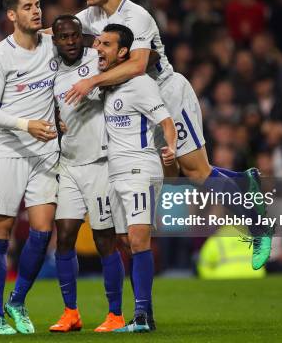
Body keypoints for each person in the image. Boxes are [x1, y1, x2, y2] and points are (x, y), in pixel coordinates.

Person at [59, 0, 271, 270]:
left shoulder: (137, 17)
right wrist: (10, 46)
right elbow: (61, 31)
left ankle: (258, 225)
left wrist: (91, 80)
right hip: (134, 104)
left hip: (166, 95)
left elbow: (138, 65)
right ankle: (242, 180)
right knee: (171, 178)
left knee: (197, 172)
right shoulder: (92, 15)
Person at [0, 0, 59, 335]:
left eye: (38, 5)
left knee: (42, 231)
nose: (36, 11)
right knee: (0, 231)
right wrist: (27, 125)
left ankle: (18, 300)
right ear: (12, 15)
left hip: (45, 153)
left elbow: (80, 34)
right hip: (9, 151)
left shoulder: (53, 44)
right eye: (27, 7)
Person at [47, 15, 125, 333]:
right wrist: (53, 118)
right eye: (62, 37)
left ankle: (115, 314)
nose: (69, 42)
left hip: (100, 162)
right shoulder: (49, 69)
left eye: (74, 35)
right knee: (64, 238)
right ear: (55, 40)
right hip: (68, 164)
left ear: (83, 36)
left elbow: (129, 58)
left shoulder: (98, 58)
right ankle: (71, 313)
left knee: (104, 239)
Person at [98, 24, 177, 333]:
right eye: (99, 43)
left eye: (106, 44)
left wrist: (169, 147)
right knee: (124, 241)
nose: (98, 49)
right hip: (115, 172)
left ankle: (141, 314)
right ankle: (146, 313)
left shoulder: (141, 84)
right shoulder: (108, 85)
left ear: (123, 52)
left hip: (140, 169)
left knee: (138, 237)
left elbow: (166, 121)